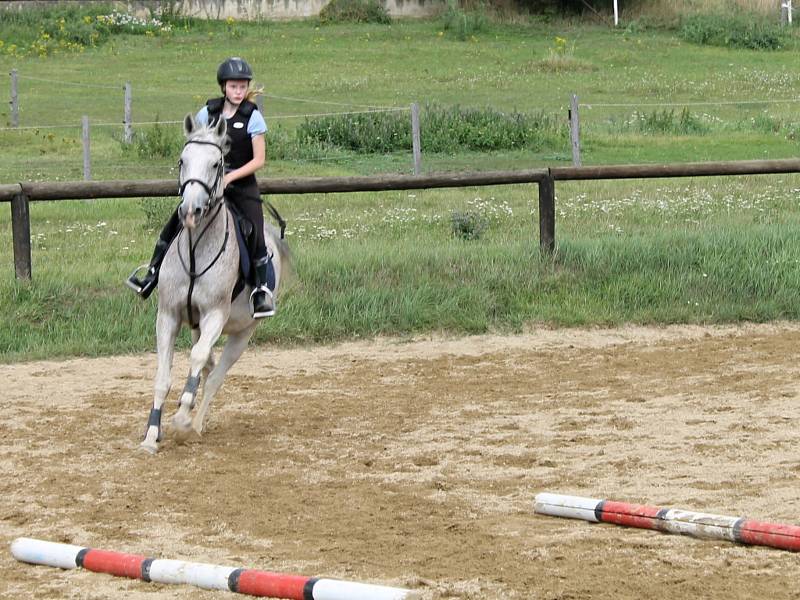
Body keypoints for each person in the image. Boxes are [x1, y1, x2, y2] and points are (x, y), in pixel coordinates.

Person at [127, 57, 275, 318]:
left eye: (242, 87)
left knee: (256, 232)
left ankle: (261, 292)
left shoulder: (253, 116)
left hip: (240, 186)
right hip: (206, 185)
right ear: (223, 87)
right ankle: (152, 273)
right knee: (176, 222)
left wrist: (230, 178)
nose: (238, 92)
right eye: (233, 87)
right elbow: (195, 147)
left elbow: (259, 160)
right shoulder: (207, 113)